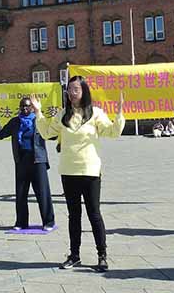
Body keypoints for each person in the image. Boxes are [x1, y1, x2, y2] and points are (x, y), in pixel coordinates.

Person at [31, 76, 125, 272]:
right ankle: (74, 255)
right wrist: (38, 111)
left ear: (84, 91)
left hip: (90, 171)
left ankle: (102, 255)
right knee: (74, 216)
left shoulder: (95, 114)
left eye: (76, 89)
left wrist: (119, 114)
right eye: (69, 89)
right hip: (68, 171)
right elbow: (47, 133)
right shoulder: (62, 115)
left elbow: (112, 132)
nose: (72, 93)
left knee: (94, 214)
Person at [0, 98, 55, 231]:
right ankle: (21, 222)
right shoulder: (15, 121)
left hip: (38, 160)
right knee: (21, 193)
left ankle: (48, 221)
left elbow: (52, 135)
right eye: (22, 107)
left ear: (32, 108)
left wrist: (56, 121)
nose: (24, 109)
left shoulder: (38, 120)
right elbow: (0, 134)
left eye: (27, 107)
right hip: (21, 160)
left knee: (42, 192)